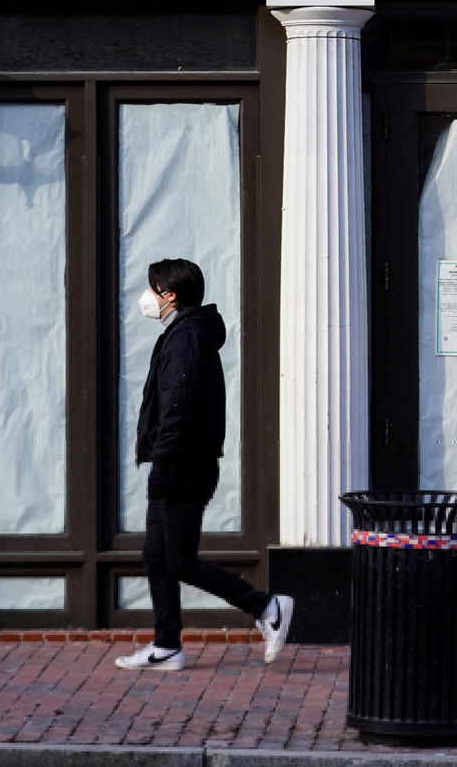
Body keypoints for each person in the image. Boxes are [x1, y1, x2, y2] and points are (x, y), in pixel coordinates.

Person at [115, 257, 293, 672]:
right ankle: (167, 645)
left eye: (152, 290)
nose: (147, 298)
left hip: (181, 464)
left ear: (169, 295)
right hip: (180, 461)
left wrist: (163, 459)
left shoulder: (187, 336)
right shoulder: (185, 332)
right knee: (156, 556)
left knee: (179, 560)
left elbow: (178, 405)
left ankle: (267, 607)